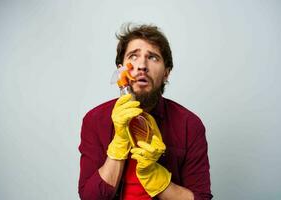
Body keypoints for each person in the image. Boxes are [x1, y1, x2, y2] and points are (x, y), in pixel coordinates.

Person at [78, 23, 213, 200]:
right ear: (120, 70)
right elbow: (90, 198)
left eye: (153, 58)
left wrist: (155, 176)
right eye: (133, 56)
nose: (142, 65)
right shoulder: (95, 120)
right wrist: (119, 143)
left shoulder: (189, 125)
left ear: (166, 73)